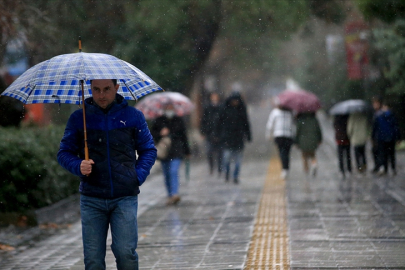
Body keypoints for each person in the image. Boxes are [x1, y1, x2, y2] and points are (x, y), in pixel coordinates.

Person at [57, 79, 157, 270]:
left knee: (125, 253)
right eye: (96, 89)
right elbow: (63, 153)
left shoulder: (133, 116)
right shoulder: (80, 118)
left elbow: (148, 150)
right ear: (89, 89)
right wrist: (78, 165)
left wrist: (137, 176)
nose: (101, 95)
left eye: (106, 89)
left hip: (124, 197)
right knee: (93, 259)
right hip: (92, 197)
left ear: (116, 88)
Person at [151, 103, 191, 205]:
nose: (170, 111)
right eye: (168, 109)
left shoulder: (178, 120)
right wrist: (160, 133)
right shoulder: (159, 120)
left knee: (173, 171)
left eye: (171, 108)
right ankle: (170, 195)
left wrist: (187, 151)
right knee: (166, 174)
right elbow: (151, 135)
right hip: (164, 152)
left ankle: (174, 194)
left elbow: (184, 136)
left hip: (176, 151)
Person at [217, 91, 252, 184]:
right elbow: (219, 122)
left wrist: (248, 135)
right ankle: (227, 173)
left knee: (238, 159)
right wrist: (218, 134)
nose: (235, 102)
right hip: (227, 138)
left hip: (239, 138)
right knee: (226, 158)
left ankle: (235, 176)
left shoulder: (242, 109)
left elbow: (246, 123)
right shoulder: (224, 109)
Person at [265, 103, 295, 179]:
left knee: (282, 152)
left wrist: (269, 133)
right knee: (287, 152)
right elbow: (294, 124)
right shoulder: (290, 112)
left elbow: (270, 123)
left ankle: (284, 169)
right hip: (288, 135)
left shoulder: (275, 112)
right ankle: (286, 168)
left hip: (279, 135)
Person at [372, 101, 401, 175]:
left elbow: (375, 128)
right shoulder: (392, 115)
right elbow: (396, 127)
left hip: (382, 138)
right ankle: (393, 168)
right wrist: (398, 137)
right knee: (391, 154)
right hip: (390, 137)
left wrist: (373, 137)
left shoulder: (378, 116)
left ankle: (386, 169)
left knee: (384, 154)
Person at [200, 92, 223, 176]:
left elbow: (223, 120)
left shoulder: (221, 107)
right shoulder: (207, 108)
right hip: (209, 134)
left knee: (220, 153)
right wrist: (203, 131)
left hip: (219, 133)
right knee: (209, 152)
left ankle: (220, 168)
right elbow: (204, 120)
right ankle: (211, 167)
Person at [295, 112, 322, 177]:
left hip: (303, 141)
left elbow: (297, 132)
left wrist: (296, 141)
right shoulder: (314, 119)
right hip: (313, 140)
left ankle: (306, 170)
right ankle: (314, 164)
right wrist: (320, 139)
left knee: (304, 156)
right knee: (312, 154)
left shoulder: (300, 120)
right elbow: (318, 130)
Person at [333, 114, 352, 179]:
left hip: (339, 139)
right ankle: (349, 169)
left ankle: (342, 169)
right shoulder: (347, 117)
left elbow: (334, 126)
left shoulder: (336, 118)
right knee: (348, 155)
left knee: (340, 155)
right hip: (347, 138)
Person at [371, 96, 383, 173]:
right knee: (375, 151)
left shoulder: (381, 114)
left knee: (380, 152)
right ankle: (377, 166)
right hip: (376, 136)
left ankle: (380, 166)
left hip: (380, 136)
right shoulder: (375, 113)